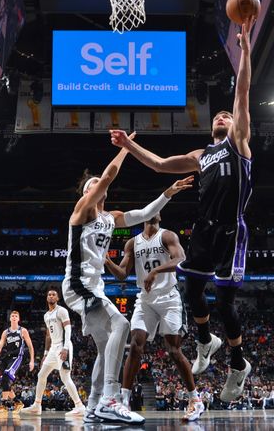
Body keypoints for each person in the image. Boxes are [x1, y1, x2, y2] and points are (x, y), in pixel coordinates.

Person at [110, 16, 256, 401]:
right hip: (205, 227)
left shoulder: (238, 144)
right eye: (218, 115)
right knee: (193, 291)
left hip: (231, 230)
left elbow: (241, 95)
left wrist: (245, 53)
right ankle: (206, 343)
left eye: (227, 114)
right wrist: (127, 145)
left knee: (224, 303)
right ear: (211, 125)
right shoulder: (199, 154)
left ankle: (239, 365)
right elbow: (159, 165)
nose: (223, 116)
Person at [62, 136, 193, 424]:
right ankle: (110, 399)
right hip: (77, 284)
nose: (96, 188)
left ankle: (94, 406)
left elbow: (145, 214)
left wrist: (168, 193)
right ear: (87, 192)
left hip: (93, 288)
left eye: (96, 186)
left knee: (104, 347)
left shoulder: (111, 218)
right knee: (121, 324)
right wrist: (126, 148)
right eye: (90, 186)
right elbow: (108, 176)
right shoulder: (82, 211)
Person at [104, 212, 205, 421]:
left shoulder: (168, 236)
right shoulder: (132, 243)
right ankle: (123, 400)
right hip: (145, 299)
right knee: (135, 344)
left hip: (169, 298)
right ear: (143, 215)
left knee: (174, 350)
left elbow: (181, 259)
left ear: (160, 215)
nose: (155, 210)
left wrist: (155, 271)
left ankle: (195, 400)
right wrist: (106, 261)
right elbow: (122, 273)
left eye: (158, 208)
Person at [20, 287, 86, 417]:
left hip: (62, 345)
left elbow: (68, 330)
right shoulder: (46, 315)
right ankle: (37, 405)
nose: (51, 296)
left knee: (65, 377)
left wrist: (66, 347)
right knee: (41, 375)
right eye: (49, 294)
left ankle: (80, 406)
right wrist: (45, 354)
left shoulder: (61, 311)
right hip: (53, 348)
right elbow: (48, 336)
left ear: (57, 298)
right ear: (46, 298)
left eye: (53, 294)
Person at [0, 310, 35, 415]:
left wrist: (32, 360)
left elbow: (30, 346)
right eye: (12, 316)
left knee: (6, 376)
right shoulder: (6, 332)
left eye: (16, 316)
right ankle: (17, 402)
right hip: (7, 358)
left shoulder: (23, 331)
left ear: (18, 319)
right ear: (10, 318)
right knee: (3, 381)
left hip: (17, 357)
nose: (14, 317)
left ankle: (3, 406)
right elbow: (0, 345)